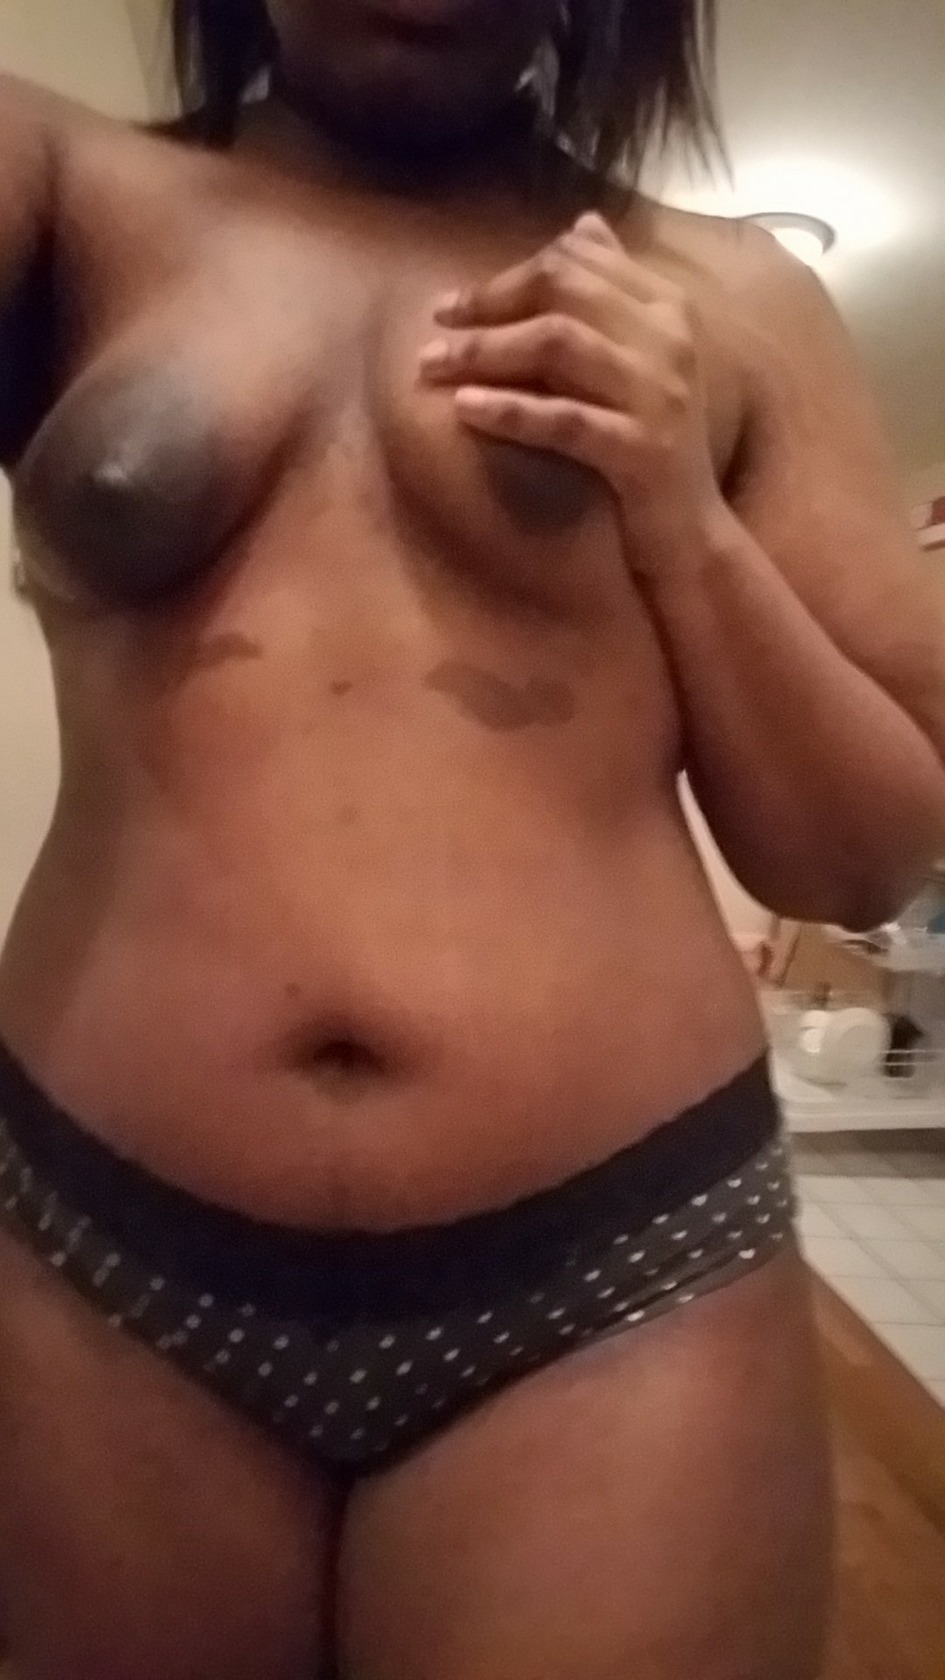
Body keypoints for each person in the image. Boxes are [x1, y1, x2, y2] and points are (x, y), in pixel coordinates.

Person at [0, 1, 943, 1674]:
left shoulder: (730, 294)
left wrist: (682, 517)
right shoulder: (64, 187)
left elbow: (860, 861)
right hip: (95, 1251)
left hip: (611, 1276)